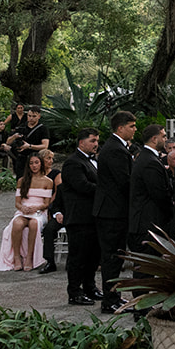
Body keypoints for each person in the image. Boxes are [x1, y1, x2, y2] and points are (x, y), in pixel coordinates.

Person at [92, 111, 136, 314]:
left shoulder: (115, 147)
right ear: (120, 128)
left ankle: (113, 296)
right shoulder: (115, 149)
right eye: (131, 126)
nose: (135, 130)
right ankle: (110, 300)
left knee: (116, 256)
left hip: (112, 210)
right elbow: (124, 181)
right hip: (112, 212)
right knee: (112, 257)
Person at [57, 129, 101, 306]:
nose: (96, 144)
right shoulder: (72, 163)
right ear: (81, 143)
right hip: (79, 217)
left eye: (97, 140)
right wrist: (105, 190)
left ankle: (90, 287)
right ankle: (75, 291)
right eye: (92, 141)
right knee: (78, 257)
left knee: (93, 255)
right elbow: (82, 185)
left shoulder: (93, 161)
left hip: (93, 216)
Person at [0, 154, 53, 271]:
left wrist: (37, 207)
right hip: (24, 210)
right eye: (31, 163)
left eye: (36, 162)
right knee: (16, 223)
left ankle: (29, 257)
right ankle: (17, 257)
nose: (34, 166)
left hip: (39, 212)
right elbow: (17, 203)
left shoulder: (48, 181)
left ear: (41, 164)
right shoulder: (22, 181)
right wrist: (22, 208)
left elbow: (47, 203)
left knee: (34, 223)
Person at [128, 123, 172, 256]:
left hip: (146, 223)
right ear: (154, 139)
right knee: (145, 270)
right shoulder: (149, 161)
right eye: (163, 136)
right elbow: (159, 193)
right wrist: (172, 211)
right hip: (147, 225)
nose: (166, 139)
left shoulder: (146, 158)